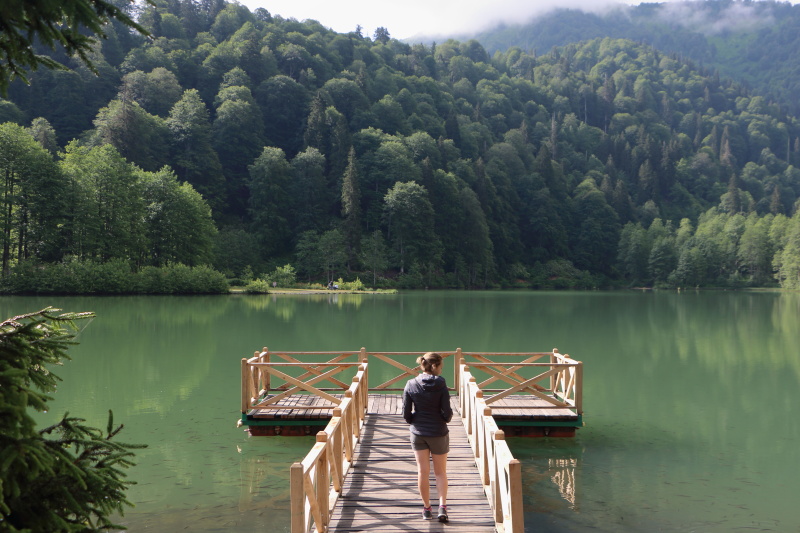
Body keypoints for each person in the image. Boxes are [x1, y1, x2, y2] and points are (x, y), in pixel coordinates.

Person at [402, 352, 453, 522]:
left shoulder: (410, 384)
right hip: (438, 431)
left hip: (418, 433)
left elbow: (406, 414)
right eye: (441, 366)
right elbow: (447, 412)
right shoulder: (441, 383)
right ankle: (442, 508)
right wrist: (445, 419)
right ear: (436, 366)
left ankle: (426, 509)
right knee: (440, 473)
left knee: (422, 472)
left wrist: (414, 422)